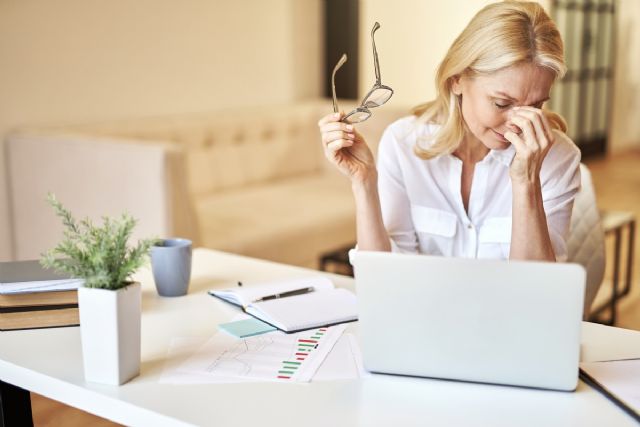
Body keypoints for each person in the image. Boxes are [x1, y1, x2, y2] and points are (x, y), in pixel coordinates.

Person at [317, 0, 581, 262]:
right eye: (502, 103)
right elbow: (382, 276)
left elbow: (535, 294)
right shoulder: (403, 144)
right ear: (457, 80)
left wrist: (527, 183)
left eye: (536, 105)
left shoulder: (558, 158)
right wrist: (364, 183)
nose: (518, 123)